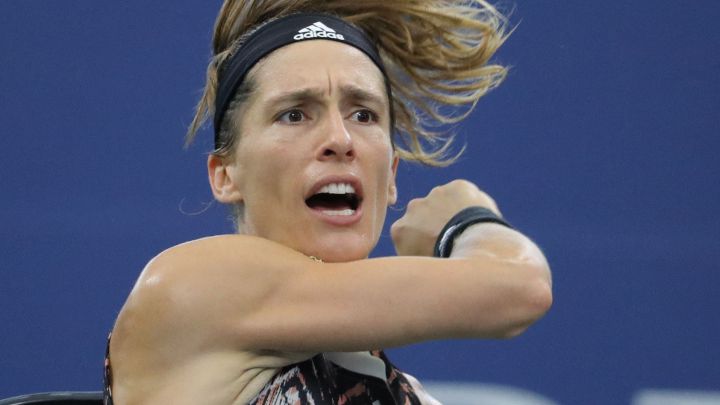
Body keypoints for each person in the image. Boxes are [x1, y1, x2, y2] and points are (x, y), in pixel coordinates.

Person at [104, 1, 553, 404]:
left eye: (364, 115)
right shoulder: (194, 288)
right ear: (225, 175)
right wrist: (465, 222)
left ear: (392, 176)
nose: (340, 140)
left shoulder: (406, 391)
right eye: (294, 114)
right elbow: (520, 287)